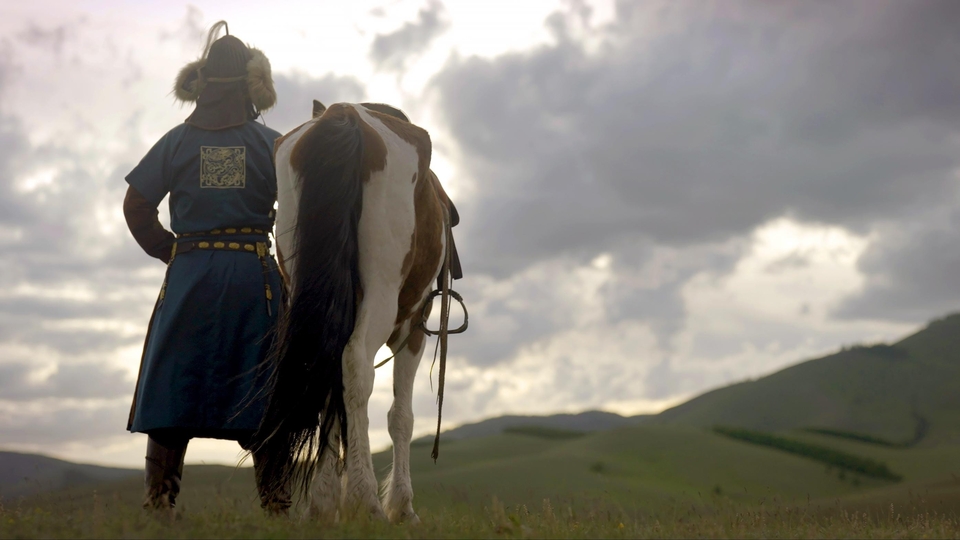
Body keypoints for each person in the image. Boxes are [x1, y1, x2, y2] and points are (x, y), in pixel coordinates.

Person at [123, 21, 289, 516]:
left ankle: (160, 505)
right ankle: (278, 509)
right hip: (253, 278)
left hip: (190, 276)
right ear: (251, 86)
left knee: (174, 384)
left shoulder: (175, 142)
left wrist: (168, 250)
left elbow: (136, 205)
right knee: (264, 389)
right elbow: (302, 215)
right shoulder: (272, 145)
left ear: (203, 83)